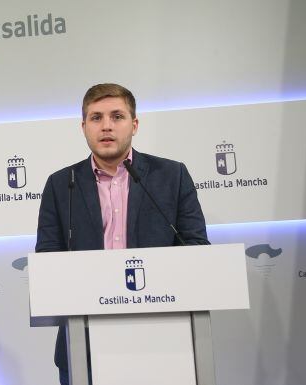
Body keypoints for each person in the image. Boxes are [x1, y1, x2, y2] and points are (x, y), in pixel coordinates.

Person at [35, 83, 209, 385]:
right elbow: (48, 257)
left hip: (162, 339)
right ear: (83, 127)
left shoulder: (172, 175)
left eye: (117, 116)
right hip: (83, 343)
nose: (106, 126)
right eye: (96, 117)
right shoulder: (61, 184)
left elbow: (195, 246)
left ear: (135, 124)